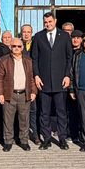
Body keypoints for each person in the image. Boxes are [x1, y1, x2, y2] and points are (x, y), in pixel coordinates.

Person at [32, 12, 73, 150]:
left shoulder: (65, 36)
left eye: (50, 21)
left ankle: (62, 139)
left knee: (61, 112)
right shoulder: (38, 36)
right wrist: (36, 75)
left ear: (55, 21)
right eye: (45, 22)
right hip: (43, 82)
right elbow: (35, 58)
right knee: (44, 113)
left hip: (60, 81)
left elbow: (69, 58)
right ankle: (46, 139)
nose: (48, 24)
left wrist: (67, 76)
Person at [0, 35, 37, 151]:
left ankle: (24, 141)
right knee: (8, 120)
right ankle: (8, 141)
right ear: (10, 47)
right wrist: (0, 94)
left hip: (24, 94)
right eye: (14, 46)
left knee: (24, 120)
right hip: (9, 94)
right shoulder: (3, 60)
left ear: (22, 47)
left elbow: (32, 78)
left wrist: (34, 91)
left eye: (19, 46)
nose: (16, 48)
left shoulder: (28, 60)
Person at [20, 24, 41, 145]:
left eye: (28, 32)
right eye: (24, 32)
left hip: (33, 82)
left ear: (31, 33)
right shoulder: (18, 46)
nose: (26, 34)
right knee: (21, 111)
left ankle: (35, 134)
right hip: (20, 83)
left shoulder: (35, 45)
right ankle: (21, 134)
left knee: (34, 110)